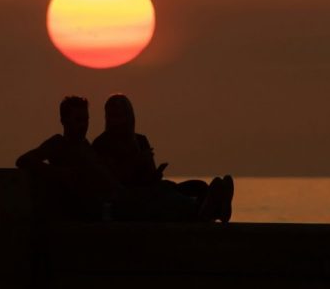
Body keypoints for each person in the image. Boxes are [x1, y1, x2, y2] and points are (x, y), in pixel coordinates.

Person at [92, 94, 234, 222]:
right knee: (175, 201)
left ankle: (218, 208)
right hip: (134, 198)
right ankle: (208, 211)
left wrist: (155, 172)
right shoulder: (102, 144)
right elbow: (112, 183)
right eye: (114, 116)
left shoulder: (140, 140)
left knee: (199, 186)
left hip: (154, 187)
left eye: (122, 115)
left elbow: (151, 178)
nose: (118, 120)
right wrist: (136, 162)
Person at [15, 96, 118, 219]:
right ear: (64, 120)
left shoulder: (87, 146)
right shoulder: (58, 143)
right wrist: (59, 173)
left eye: (86, 120)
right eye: (78, 120)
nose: (83, 125)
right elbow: (23, 160)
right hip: (79, 211)